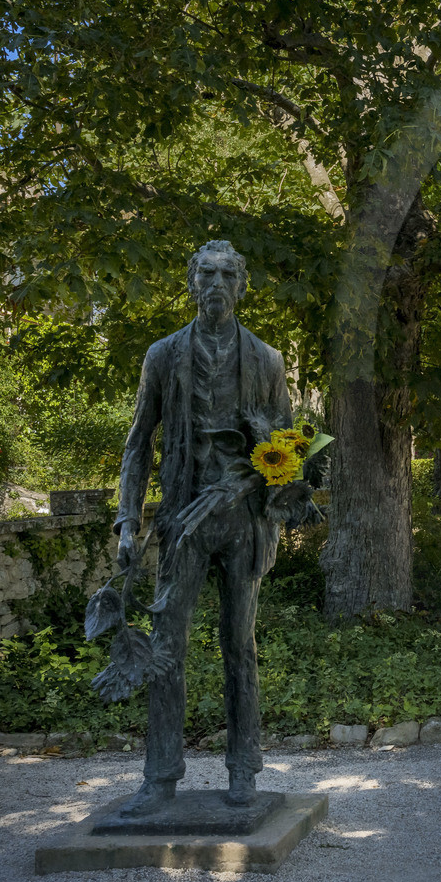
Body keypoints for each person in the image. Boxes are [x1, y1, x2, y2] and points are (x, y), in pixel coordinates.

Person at [111, 240, 312, 817]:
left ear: (241, 286)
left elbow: (288, 449)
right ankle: (160, 777)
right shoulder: (163, 355)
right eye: (207, 273)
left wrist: (257, 491)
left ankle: (244, 767)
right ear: (192, 281)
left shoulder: (267, 360)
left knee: (239, 645)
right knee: (166, 646)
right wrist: (127, 521)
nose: (217, 283)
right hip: (181, 520)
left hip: (244, 523)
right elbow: (138, 442)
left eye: (227, 274)